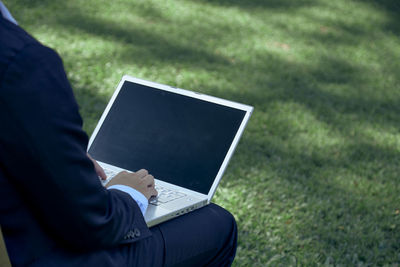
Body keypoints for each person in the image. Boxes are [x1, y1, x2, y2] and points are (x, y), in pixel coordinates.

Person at [0, 2, 237, 266]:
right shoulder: (21, 61)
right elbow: (92, 223)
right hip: (33, 253)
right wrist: (128, 196)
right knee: (217, 223)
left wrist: (59, 159)